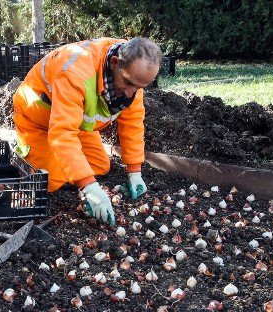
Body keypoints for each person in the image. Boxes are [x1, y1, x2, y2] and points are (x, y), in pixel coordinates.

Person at [12, 37, 161, 226]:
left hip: (76, 120)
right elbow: (62, 134)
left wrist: (134, 171)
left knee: (100, 166)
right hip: (38, 119)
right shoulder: (75, 73)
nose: (132, 93)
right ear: (115, 64)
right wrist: (88, 185)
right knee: (50, 181)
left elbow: (132, 122)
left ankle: (64, 164)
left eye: (140, 88)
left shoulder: (133, 67)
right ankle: (24, 156)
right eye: (129, 83)